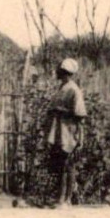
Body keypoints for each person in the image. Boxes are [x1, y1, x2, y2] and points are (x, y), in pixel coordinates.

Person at [44, 58, 87, 207]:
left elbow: (79, 114)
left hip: (69, 131)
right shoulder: (62, 88)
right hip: (58, 131)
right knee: (61, 164)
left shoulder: (73, 89)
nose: (56, 72)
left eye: (59, 71)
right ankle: (60, 197)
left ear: (65, 72)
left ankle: (65, 199)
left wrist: (80, 136)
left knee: (68, 165)